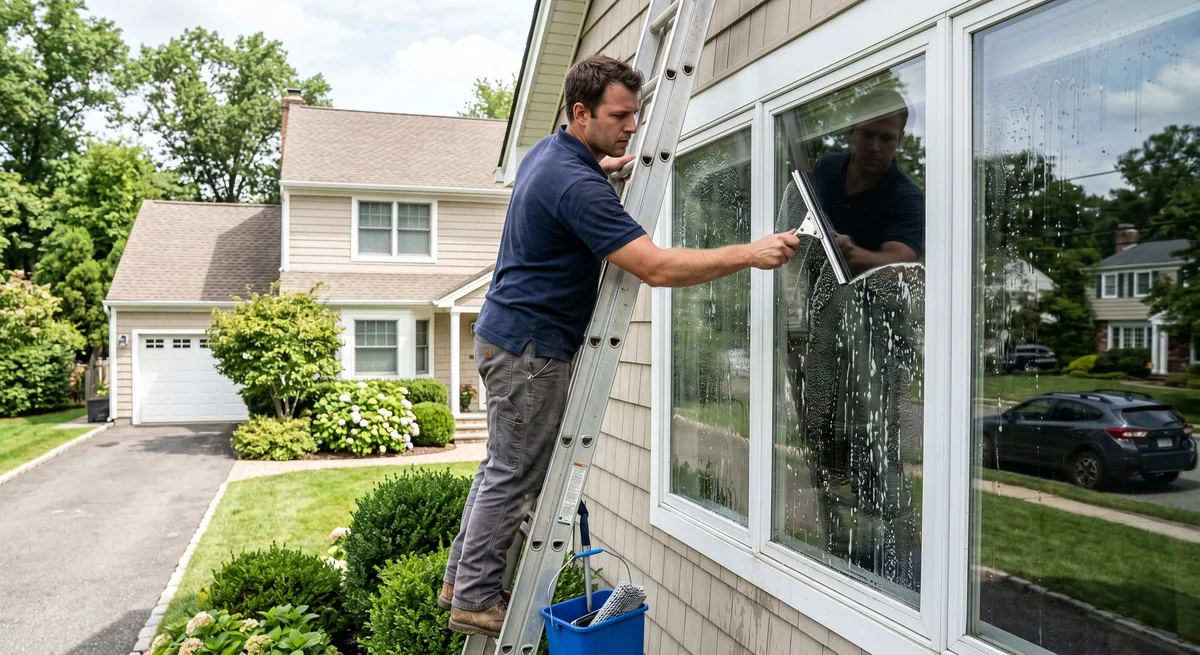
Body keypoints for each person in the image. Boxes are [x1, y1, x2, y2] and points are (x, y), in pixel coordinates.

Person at [440, 53, 801, 638]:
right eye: (620, 115)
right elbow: (655, 267)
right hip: (531, 353)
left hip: (505, 338)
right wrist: (750, 253)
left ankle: (462, 581)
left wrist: (606, 167)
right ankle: (476, 599)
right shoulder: (574, 181)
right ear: (581, 113)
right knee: (515, 474)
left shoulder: (552, 153)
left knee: (497, 468)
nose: (632, 125)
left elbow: (576, 183)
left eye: (635, 115)